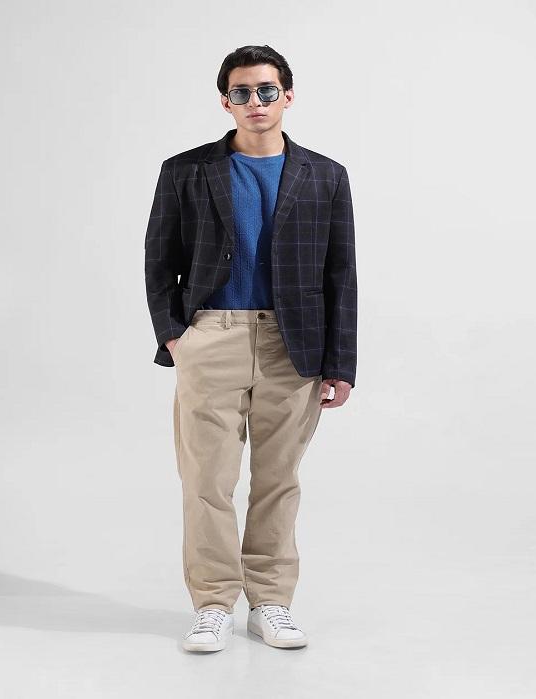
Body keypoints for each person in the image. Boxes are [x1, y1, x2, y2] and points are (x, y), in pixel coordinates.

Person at [144, 44, 357, 652]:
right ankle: (213, 604)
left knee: (278, 480)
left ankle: (271, 603)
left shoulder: (326, 175)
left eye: (266, 90)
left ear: (287, 96)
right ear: (226, 101)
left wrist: (340, 362)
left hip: (295, 344)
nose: (255, 102)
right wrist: (176, 336)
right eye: (242, 92)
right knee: (206, 480)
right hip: (211, 335)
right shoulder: (185, 171)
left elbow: (341, 272)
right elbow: (158, 258)